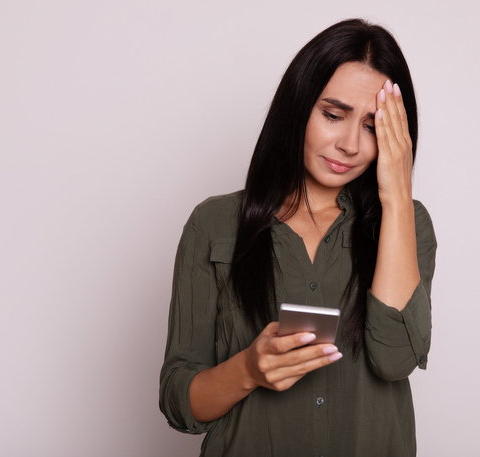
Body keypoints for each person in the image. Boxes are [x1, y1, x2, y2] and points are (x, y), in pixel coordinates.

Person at [159, 18, 436, 456]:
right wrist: (248, 369)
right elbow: (179, 400)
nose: (350, 144)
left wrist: (397, 193)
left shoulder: (408, 225)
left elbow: (395, 358)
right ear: (298, 107)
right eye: (332, 115)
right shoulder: (213, 224)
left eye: (372, 126)